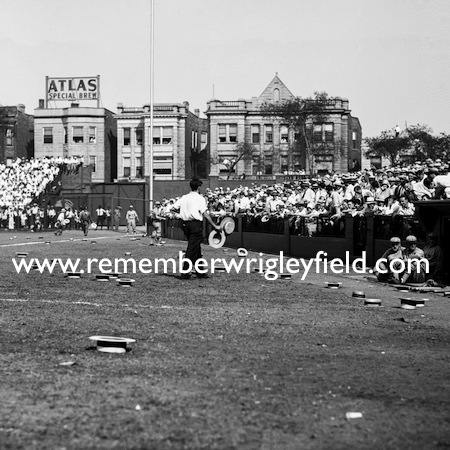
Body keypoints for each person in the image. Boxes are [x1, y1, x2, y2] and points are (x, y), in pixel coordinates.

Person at [173, 177, 221, 279]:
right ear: (199, 187)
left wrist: (181, 215)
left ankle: (200, 271)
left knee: (196, 247)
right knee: (192, 248)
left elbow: (173, 208)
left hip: (185, 224)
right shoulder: (200, 198)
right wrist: (214, 225)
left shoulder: (184, 197)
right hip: (195, 225)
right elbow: (205, 214)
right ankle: (185, 271)